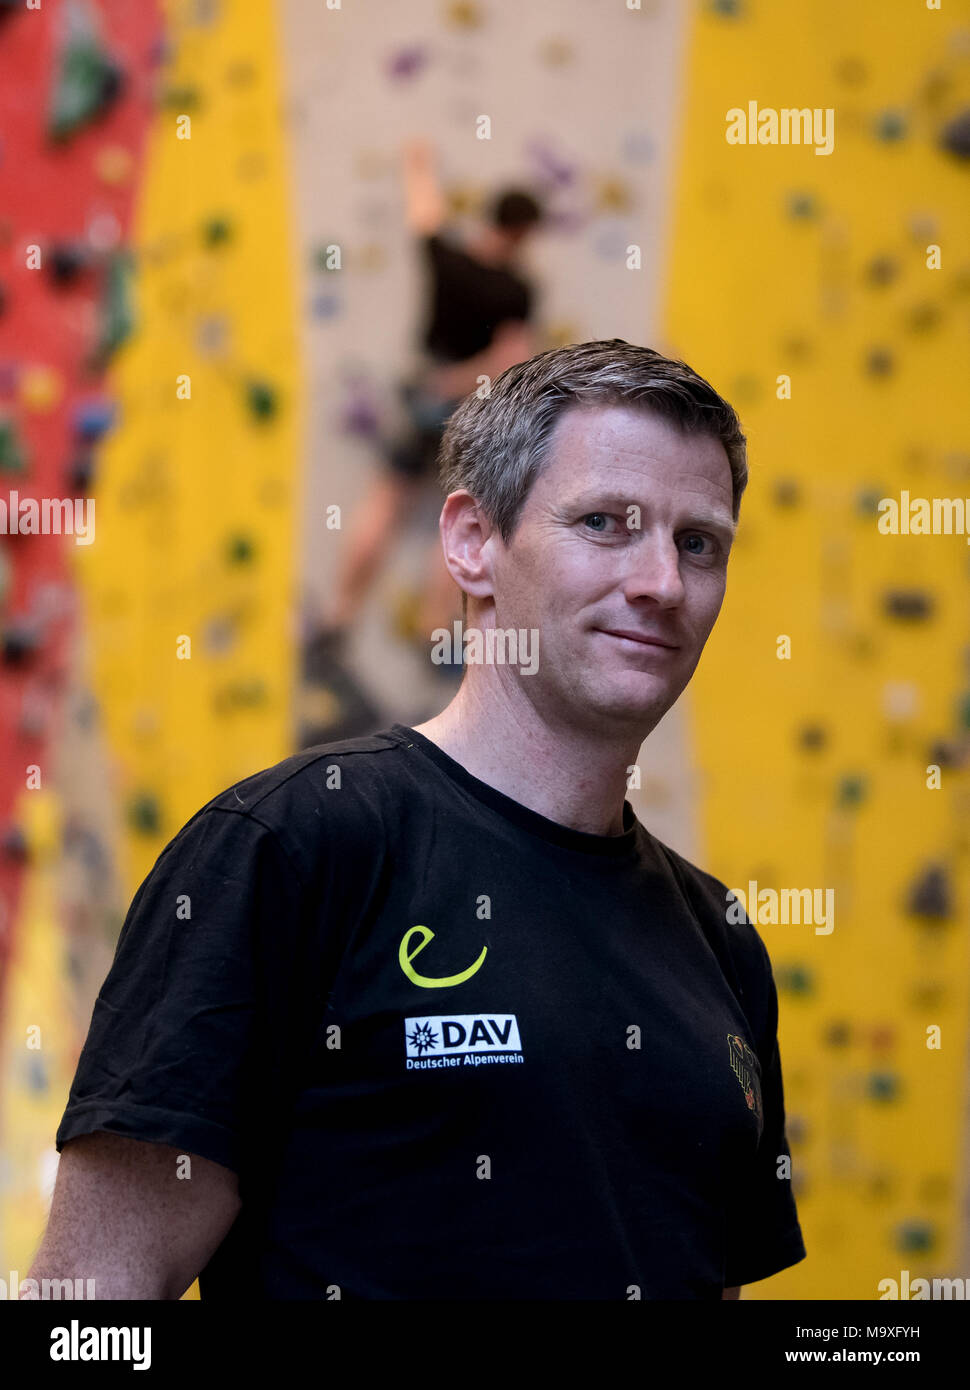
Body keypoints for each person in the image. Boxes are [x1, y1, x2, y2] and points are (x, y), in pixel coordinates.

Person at [29, 340, 806, 1300]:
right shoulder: (293, 847)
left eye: (701, 543)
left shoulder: (719, 942)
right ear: (473, 543)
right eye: (606, 523)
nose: (662, 582)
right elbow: (92, 1297)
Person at [314, 137, 542, 653]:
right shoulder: (518, 290)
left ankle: (341, 611)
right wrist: (461, 380)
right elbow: (510, 359)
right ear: (525, 232)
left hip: (421, 387)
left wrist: (418, 166)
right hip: (471, 407)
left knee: (386, 500)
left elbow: (426, 213)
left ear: (490, 217)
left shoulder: (448, 258)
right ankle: (432, 626)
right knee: (463, 513)